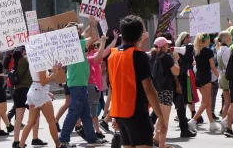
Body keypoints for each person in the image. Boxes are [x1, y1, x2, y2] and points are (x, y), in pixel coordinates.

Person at [108, 15, 165, 148]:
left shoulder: (113, 55)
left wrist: (114, 114)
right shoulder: (140, 56)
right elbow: (149, 89)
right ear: (139, 35)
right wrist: (160, 116)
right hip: (136, 111)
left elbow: (113, 87)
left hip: (120, 112)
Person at [59, 16, 107, 147]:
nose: (81, 31)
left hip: (79, 83)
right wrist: (92, 23)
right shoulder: (77, 44)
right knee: (74, 112)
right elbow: (93, 37)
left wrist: (94, 21)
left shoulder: (74, 42)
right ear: (75, 33)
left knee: (86, 113)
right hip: (78, 83)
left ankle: (91, 138)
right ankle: (63, 139)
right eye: (78, 30)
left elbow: (87, 32)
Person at [18, 62, 65, 148]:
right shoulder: (41, 62)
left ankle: (21, 145)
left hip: (34, 89)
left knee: (31, 121)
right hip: (40, 91)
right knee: (51, 121)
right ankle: (58, 145)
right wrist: (55, 73)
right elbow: (43, 82)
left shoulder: (34, 60)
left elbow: (39, 80)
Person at [12, 46, 46, 148]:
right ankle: (35, 138)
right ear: (23, 52)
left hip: (17, 90)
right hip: (27, 89)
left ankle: (16, 141)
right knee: (35, 115)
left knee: (18, 117)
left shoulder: (16, 62)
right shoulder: (26, 60)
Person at [188, 33, 220, 132]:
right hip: (206, 77)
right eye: (209, 39)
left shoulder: (196, 51)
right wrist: (219, 76)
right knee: (205, 102)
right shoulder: (208, 51)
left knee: (208, 102)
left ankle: (211, 123)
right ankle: (193, 121)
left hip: (198, 76)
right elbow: (213, 66)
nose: (209, 41)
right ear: (206, 40)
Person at [151, 37, 180, 148]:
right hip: (166, 90)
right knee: (165, 118)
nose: (168, 46)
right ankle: (162, 144)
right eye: (167, 45)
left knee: (160, 116)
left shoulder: (152, 56)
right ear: (163, 47)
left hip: (154, 90)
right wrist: (176, 60)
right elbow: (176, 72)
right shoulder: (167, 57)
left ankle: (156, 138)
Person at [216, 31, 232, 127]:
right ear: (226, 39)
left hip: (221, 75)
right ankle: (227, 122)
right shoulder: (227, 50)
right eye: (230, 37)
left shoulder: (219, 49)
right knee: (231, 102)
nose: (231, 39)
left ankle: (224, 122)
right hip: (227, 76)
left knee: (226, 102)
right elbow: (228, 65)